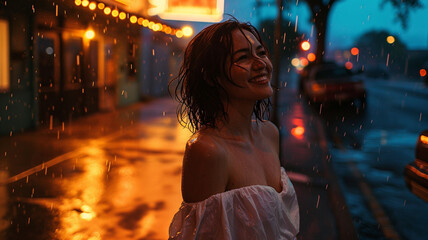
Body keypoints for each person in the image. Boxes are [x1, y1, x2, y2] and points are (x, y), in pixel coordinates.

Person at [168, 18, 299, 240]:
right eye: (243, 57)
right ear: (211, 77)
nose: (261, 64)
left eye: (261, 53)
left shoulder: (269, 133)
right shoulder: (208, 150)